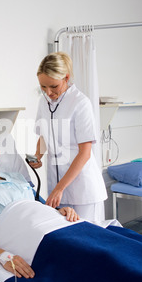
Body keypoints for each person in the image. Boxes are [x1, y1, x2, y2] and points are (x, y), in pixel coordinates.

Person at [0, 129, 80, 279]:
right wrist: (4, 257)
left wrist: (59, 211)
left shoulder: (16, 177)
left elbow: (35, 207)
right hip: (31, 237)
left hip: (52, 224)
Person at [30, 52, 107, 221]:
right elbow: (44, 135)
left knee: (89, 240)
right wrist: (37, 156)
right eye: (43, 87)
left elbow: (85, 153)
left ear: (66, 77)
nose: (48, 92)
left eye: (53, 86)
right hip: (57, 188)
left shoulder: (80, 103)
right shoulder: (43, 102)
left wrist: (60, 188)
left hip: (82, 190)